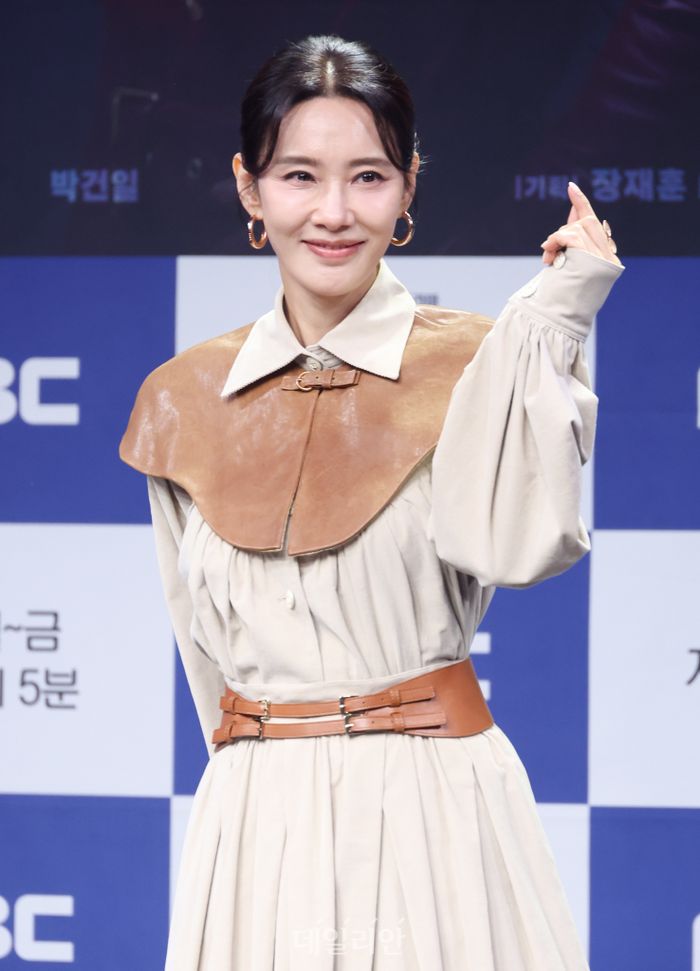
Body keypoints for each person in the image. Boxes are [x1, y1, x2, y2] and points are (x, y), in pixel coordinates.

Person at [120, 33, 624, 971]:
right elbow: (204, 657)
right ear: (249, 188)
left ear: (407, 187)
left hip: (432, 805)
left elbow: (518, 548)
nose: (334, 212)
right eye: (299, 176)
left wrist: (557, 318)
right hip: (257, 818)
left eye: (368, 177)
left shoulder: (479, 361)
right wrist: (255, 794)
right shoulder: (183, 398)